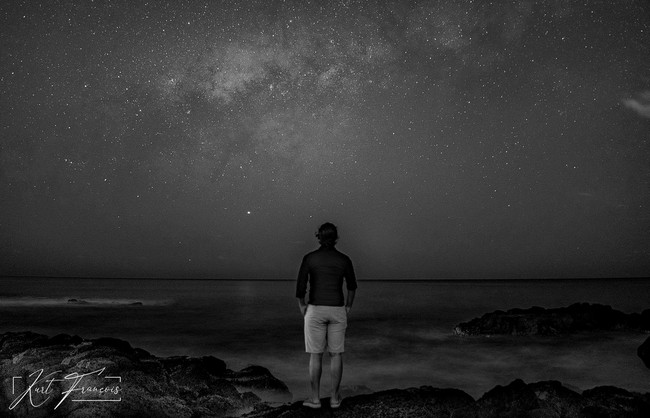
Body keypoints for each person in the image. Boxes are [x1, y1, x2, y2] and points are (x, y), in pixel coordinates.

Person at [296, 222, 357, 409]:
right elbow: (352, 286)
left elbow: (300, 287)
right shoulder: (344, 259)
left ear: (319, 237)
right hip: (337, 309)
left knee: (315, 356)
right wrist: (348, 306)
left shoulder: (309, 258)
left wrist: (302, 306)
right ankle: (334, 399)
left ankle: (315, 399)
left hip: (315, 309)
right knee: (336, 354)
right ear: (336, 237)